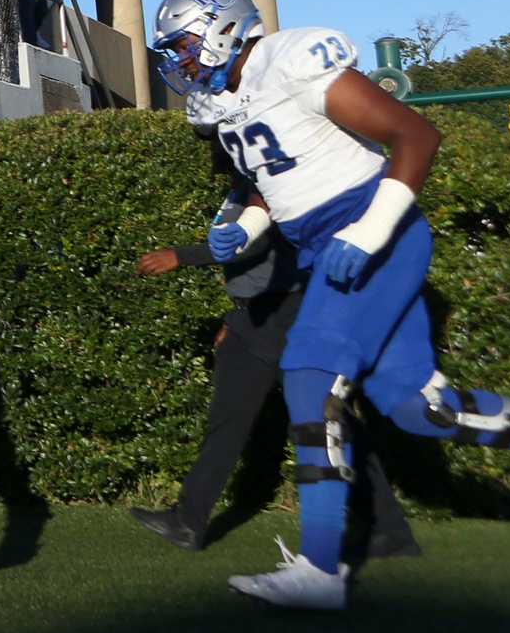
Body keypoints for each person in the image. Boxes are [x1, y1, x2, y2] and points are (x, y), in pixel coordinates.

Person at [151, 0, 510, 610]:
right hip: (324, 241)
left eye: (185, 45)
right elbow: (274, 178)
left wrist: (373, 227)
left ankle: (320, 571)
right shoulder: (222, 101)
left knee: (307, 371)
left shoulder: (289, 58)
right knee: (417, 410)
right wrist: (245, 224)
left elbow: (416, 136)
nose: (181, 62)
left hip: (376, 226)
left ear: (222, 27)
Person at [128, 198, 418, 559]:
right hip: (249, 322)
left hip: (291, 317)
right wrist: (238, 317)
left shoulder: (273, 181)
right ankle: (188, 522)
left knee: (329, 423)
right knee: (226, 422)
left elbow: (259, 241)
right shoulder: (239, 187)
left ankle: (388, 528)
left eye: (216, 139)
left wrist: (181, 255)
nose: (217, 147)